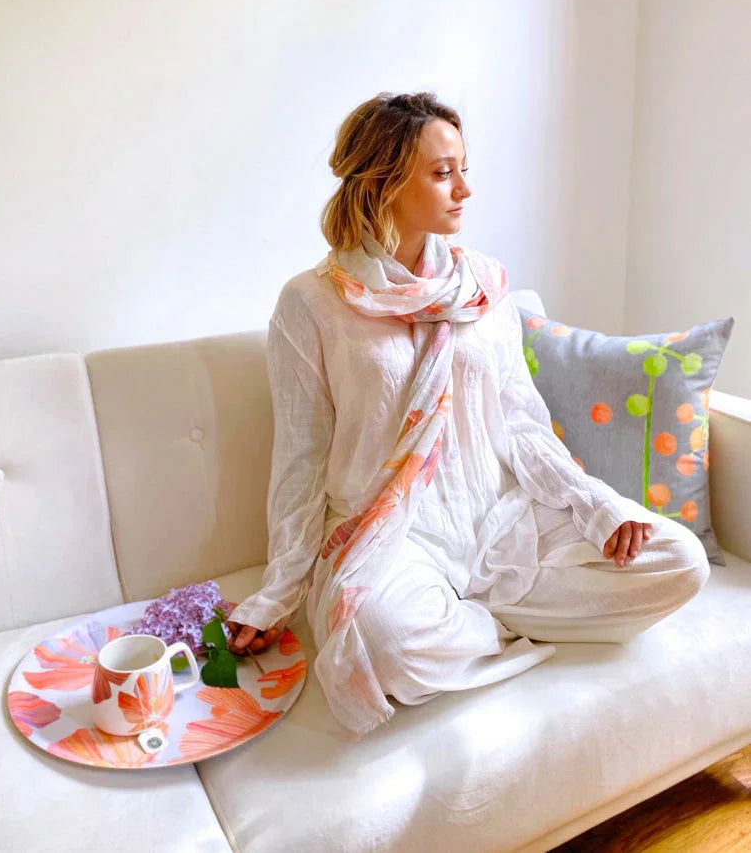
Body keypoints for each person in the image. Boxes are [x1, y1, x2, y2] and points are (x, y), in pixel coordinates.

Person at [226, 91, 710, 740]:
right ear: (386, 180)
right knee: (386, 650)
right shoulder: (310, 303)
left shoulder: (483, 284)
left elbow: (521, 423)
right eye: (443, 171)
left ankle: (483, 612)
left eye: (463, 167)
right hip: (395, 533)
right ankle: (504, 618)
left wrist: (597, 505)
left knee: (680, 560)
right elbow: (301, 458)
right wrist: (279, 591)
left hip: (502, 514)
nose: (465, 189)